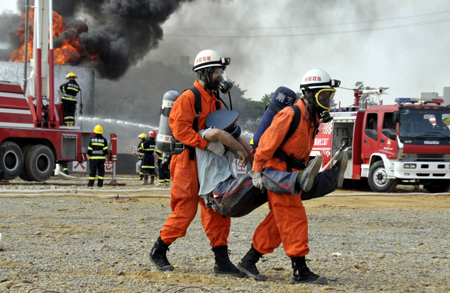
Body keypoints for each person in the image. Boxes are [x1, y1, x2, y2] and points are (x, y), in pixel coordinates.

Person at [237, 69, 341, 285]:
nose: (327, 100)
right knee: (294, 217)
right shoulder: (291, 114)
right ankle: (300, 271)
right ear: (310, 94)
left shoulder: (312, 119)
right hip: (278, 173)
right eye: (323, 96)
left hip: (292, 173)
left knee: (277, 222)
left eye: (329, 96)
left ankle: (248, 261)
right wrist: (256, 170)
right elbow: (266, 144)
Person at [149, 49, 245, 278]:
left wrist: (237, 148)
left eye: (221, 72)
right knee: (185, 210)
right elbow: (180, 129)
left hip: (210, 164)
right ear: (203, 74)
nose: (220, 77)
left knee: (217, 209)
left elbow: (225, 129)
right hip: (187, 162)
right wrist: (207, 144)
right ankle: (158, 251)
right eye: (216, 72)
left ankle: (221, 262)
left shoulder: (216, 101)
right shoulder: (189, 97)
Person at [196, 110, 326, 218]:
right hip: (219, 195)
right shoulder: (203, 135)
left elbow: (253, 157)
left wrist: (237, 136)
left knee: (271, 190)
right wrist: (239, 148)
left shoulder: (227, 147)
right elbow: (218, 133)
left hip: (231, 196)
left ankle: (327, 179)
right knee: (263, 176)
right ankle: (299, 179)